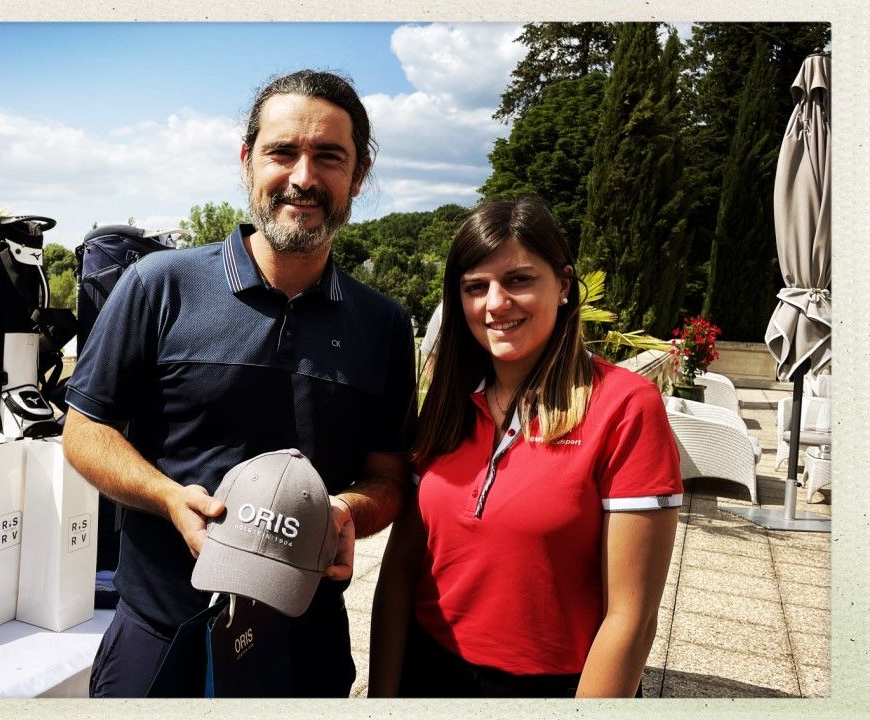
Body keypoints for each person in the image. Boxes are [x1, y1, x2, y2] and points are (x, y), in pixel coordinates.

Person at [63, 69, 417, 698]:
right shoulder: (158, 285)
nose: (303, 177)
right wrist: (168, 497)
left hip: (306, 646)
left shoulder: (384, 325)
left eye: (329, 157)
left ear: (359, 174)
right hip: (162, 632)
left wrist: (345, 513)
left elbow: (388, 477)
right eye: (282, 152)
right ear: (247, 160)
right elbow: (85, 432)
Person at [368, 196, 682, 698]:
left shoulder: (625, 408)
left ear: (563, 284)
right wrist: (382, 701)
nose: (495, 303)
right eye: (475, 287)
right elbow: (402, 568)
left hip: (555, 689)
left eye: (518, 279)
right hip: (428, 671)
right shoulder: (449, 405)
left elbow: (631, 619)